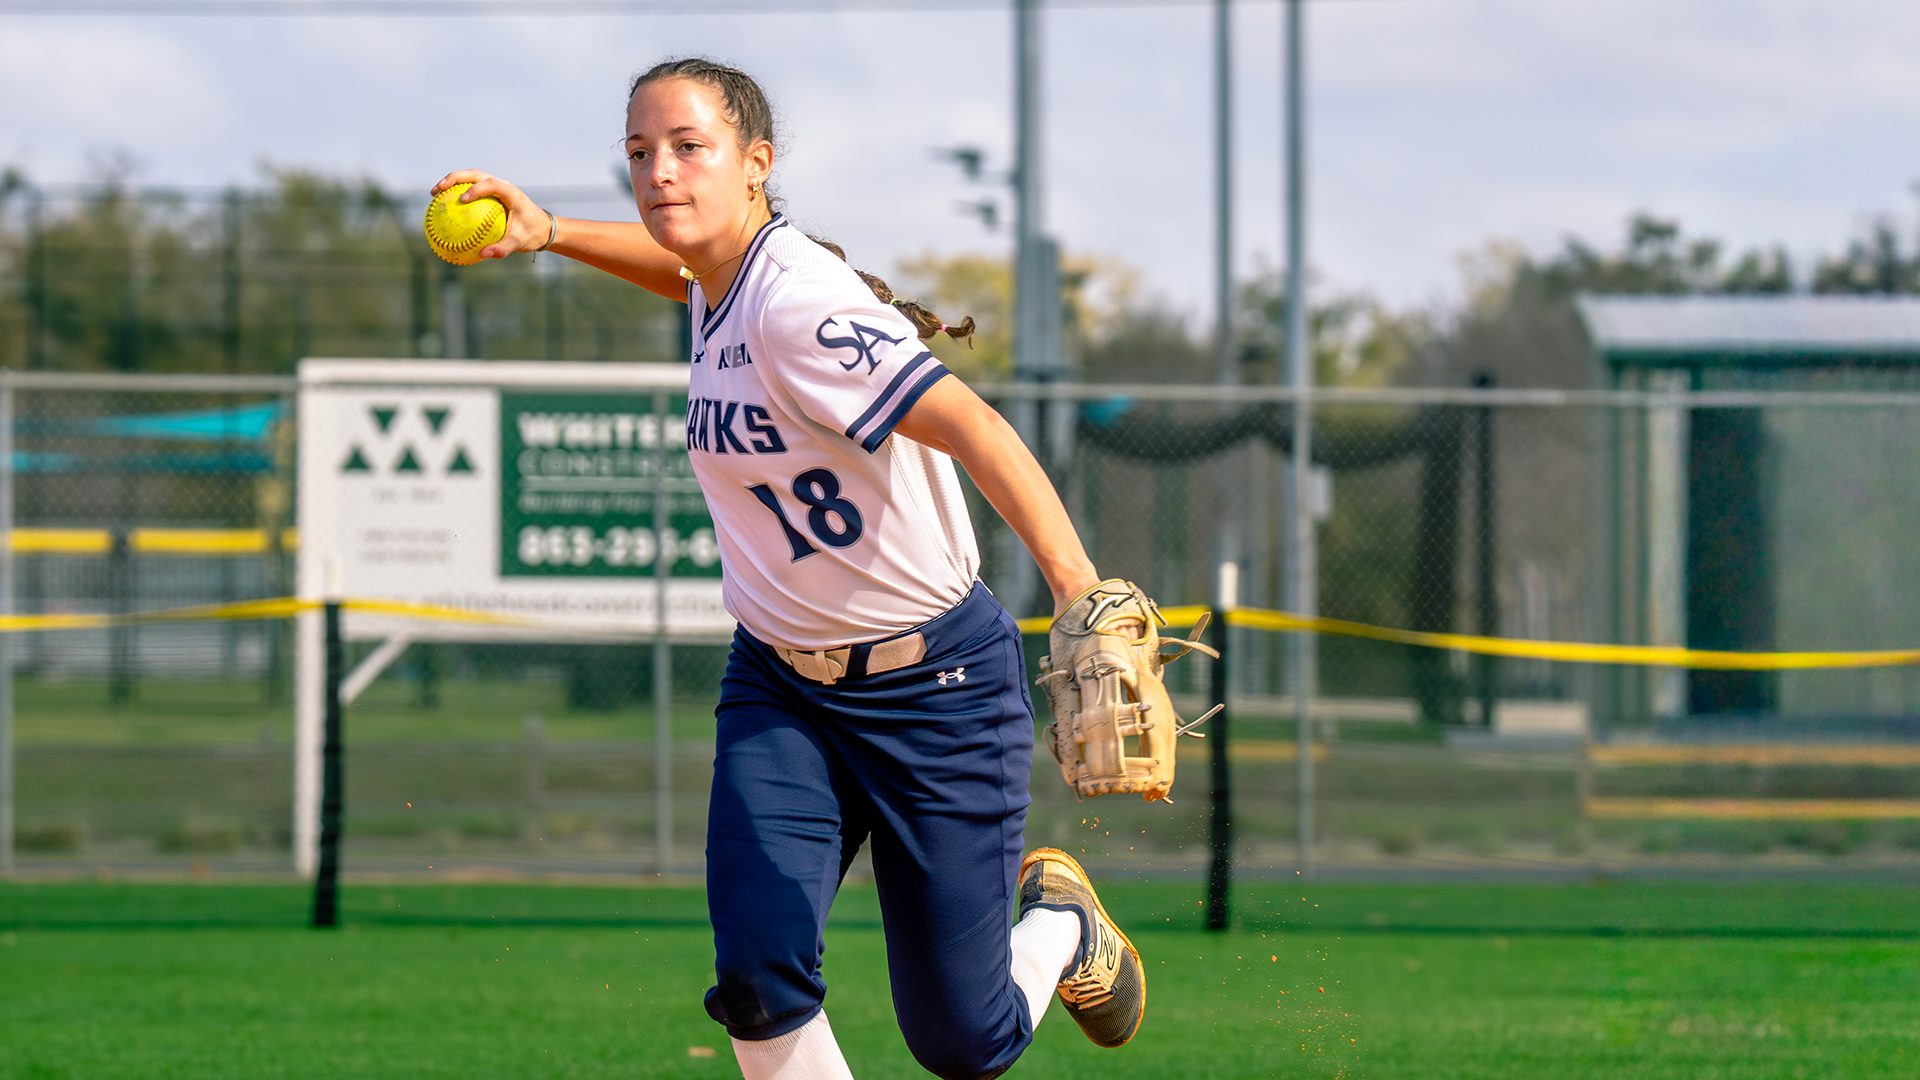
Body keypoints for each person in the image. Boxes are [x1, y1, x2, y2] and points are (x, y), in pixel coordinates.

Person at [435, 57, 1145, 1080]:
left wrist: (1078, 588)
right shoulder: (727, 281)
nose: (659, 173)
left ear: (756, 162)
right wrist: (548, 233)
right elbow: (685, 272)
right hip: (780, 688)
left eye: (689, 148)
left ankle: (1064, 925)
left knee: (964, 1040)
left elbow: (976, 425)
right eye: (640, 152)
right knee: (760, 980)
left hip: (934, 690)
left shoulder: (795, 306)